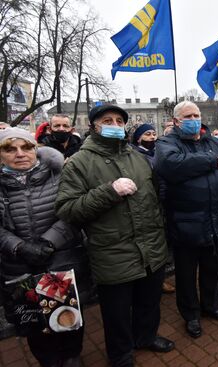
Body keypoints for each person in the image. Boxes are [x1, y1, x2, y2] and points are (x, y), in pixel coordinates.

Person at [55, 105, 174, 366]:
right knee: (117, 313)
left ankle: (145, 336)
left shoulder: (136, 156)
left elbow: (154, 197)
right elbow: (67, 210)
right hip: (113, 252)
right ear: (94, 126)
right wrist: (109, 192)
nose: (115, 124)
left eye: (120, 120)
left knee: (149, 302)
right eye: (107, 120)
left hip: (151, 246)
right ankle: (120, 355)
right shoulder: (79, 162)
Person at [0, 128, 91, 367]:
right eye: (10, 149)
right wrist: (19, 247)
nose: (20, 154)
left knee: (67, 317)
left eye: (26, 147)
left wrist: (48, 241)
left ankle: (72, 356)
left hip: (58, 262)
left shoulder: (58, 175)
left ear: (36, 149)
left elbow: (73, 213)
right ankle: (48, 361)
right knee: (33, 323)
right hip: (19, 266)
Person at [154, 101, 218, 339]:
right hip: (185, 222)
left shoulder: (213, 142)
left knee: (212, 269)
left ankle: (211, 306)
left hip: (216, 219)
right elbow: (169, 165)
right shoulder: (167, 143)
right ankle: (191, 315)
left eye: (196, 114)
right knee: (186, 275)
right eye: (188, 115)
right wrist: (209, 162)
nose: (194, 118)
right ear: (176, 121)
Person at [130, 123, 176, 295]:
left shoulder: (158, 152)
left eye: (153, 134)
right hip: (150, 203)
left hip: (166, 200)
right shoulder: (135, 155)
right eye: (147, 134)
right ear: (138, 138)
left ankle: (160, 276)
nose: (152, 137)